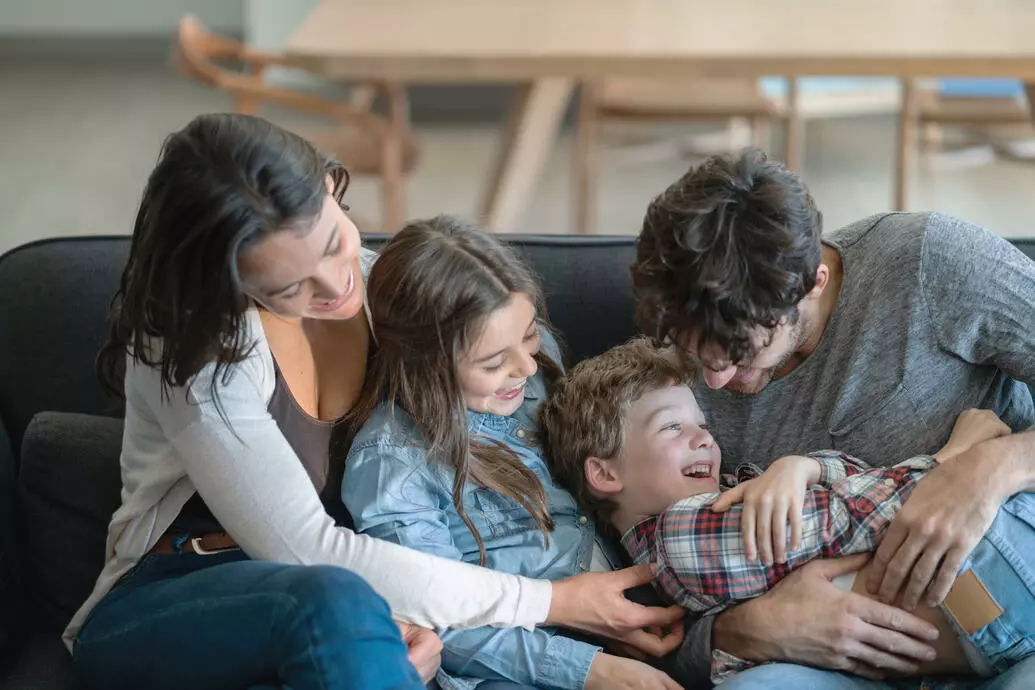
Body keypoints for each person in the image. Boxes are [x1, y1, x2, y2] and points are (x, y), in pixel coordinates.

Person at [66, 113, 684, 690]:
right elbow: (307, 553)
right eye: (289, 285)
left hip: (354, 613)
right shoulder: (200, 352)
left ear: (334, 189)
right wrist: (555, 602)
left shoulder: (389, 292)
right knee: (335, 601)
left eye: (334, 243)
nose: (338, 285)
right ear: (223, 283)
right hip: (179, 593)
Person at [628, 147, 1035, 688]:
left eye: (741, 354)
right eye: (695, 352)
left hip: (1002, 575)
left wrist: (991, 468)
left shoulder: (927, 263)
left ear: (814, 282)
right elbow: (655, 596)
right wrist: (742, 629)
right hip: (831, 655)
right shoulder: (667, 381)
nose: (715, 382)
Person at [540, 337, 1035, 684]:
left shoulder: (732, 494)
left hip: (991, 569)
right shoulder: (682, 537)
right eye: (671, 428)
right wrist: (951, 460)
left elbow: (854, 477)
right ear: (605, 474)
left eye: (701, 423)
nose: (704, 437)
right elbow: (856, 514)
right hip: (992, 566)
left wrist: (806, 468)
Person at [342, 217, 683, 690]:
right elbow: (438, 618)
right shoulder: (394, 463)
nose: (525, 366)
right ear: (426, 364)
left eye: (527, 336)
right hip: (523, 661)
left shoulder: (539, 372)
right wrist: (590, 671)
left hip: (638, 610)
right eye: (493, 362)